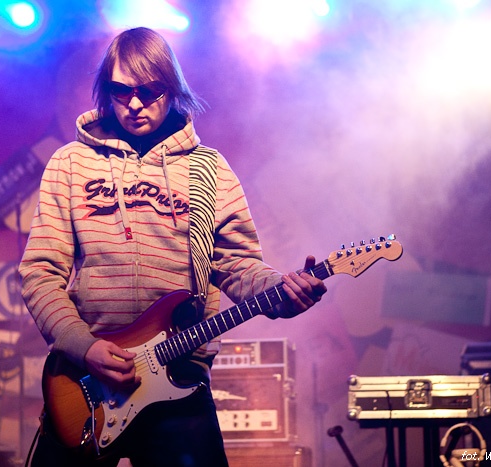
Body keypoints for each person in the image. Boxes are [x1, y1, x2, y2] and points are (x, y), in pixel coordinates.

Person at [19, 27, 326, 467]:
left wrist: (282, 292)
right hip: (85, 382)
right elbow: (39, 273)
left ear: (172, 88)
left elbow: (239, 266)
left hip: (179, 377)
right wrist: (83, 346)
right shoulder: (70, 164)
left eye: (149, 91)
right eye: (122, 91)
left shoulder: (210, 170)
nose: (135, 104)